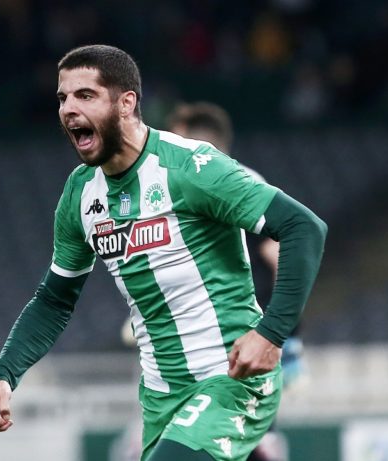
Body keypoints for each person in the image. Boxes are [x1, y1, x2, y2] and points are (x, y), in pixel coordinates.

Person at [0, 44, 327, 461]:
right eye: (62, 98)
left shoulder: (190, 167)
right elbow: (54, 300)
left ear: (126, 103)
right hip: (161, 397)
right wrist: (3, 375)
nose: (69, 109)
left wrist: (272, 334)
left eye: (85, 95)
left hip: (230, 380)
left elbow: (304, 228)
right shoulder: (80, 194)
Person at [165, 102, 302, 461]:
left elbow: (278, 254)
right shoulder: (208, 182)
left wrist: (283, 332)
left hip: (238, 332)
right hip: (220, 333)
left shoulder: (232, 182)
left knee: (228, 436)